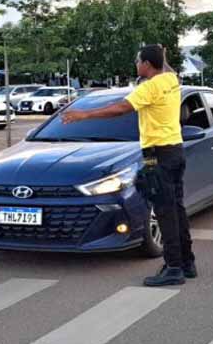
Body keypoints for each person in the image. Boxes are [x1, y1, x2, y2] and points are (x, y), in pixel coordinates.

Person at [60, 44, 195, 287]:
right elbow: (165, 65)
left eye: (138, 60)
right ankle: (187, 262)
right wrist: (161, 55)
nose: (136, 64)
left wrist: (85, 115)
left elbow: (121, 108)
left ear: (146, 64)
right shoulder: (170, 80)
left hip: (159, 155)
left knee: (165, 213)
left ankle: (173, 267)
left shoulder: (151, 87)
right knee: (177, 208)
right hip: (174, 151)